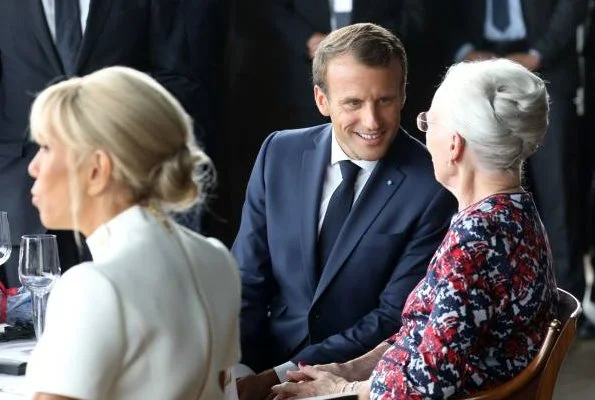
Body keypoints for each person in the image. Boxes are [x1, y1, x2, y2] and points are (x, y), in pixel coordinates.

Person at [271, 58, 559, 399]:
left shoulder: (476, 240)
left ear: (454, 145)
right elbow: (424, 332)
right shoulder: (513, 211)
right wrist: (344, 369)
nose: (423, 134)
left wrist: (343, 389)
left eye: (429, 122)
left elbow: (428, 384)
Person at [232, 23, 457, 400]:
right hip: (258, 364)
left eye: (384, 100)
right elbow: (248, 278)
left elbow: (392, 317)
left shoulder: (432, 184)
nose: (372, 122)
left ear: (403, 94)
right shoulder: (278, 154)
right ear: (322, 100)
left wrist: (278, 377)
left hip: (354, 382)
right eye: (353, 102)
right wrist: (236, 370)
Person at [24, 66, 241, 400]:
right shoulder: (216, 259)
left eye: (47, 148)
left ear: (97, 169)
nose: (33, 166)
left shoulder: (92, 286)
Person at [0, 0, 206, 283]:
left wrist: (104, 120)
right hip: (23, 202)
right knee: (29, 324)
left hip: (122, 195)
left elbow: (179, 79)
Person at [449, 0, 586, 307]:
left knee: (557, 193)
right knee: (485, 195)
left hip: (545, 68)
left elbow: (571, 7)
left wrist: (537, 54)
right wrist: (465, 50)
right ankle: (508, 306)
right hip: (475, 74)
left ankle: (567, 308)